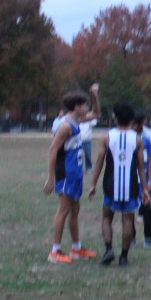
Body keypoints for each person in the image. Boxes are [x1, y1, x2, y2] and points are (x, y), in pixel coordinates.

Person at [43, 89, 102, 264]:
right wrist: (51, 177)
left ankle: (76, 248)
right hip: (66, 173)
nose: (86, 107)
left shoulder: (77, 120)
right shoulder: (65, 126)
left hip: (75, 173)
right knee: (63, 210)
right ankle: (55, 251)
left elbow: (96, 113)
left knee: (75, 210)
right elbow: (53, 150)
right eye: (84, 104)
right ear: (76, 107)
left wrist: (94, 96)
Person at [88, 103, 150, 267]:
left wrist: (93, 184)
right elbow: (141, 167)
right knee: (128, 220)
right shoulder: (137, 140)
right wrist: (144, 188)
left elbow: (99, 162)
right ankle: (124, 256)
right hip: (131, 186)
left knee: (106, 217)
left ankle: (109, 249)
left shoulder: (107, 137)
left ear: (115, 118)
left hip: (110, 185)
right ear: (131, 120)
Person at [133, 112, 151, 248]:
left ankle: (148, 238)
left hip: (143, 180)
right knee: (129, 210)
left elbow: (149, 161)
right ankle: (130, 238)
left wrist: (150, 181)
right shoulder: (128, 140)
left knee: (147, 208)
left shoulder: (146, 140)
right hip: (131, 180)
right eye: (142, 123)